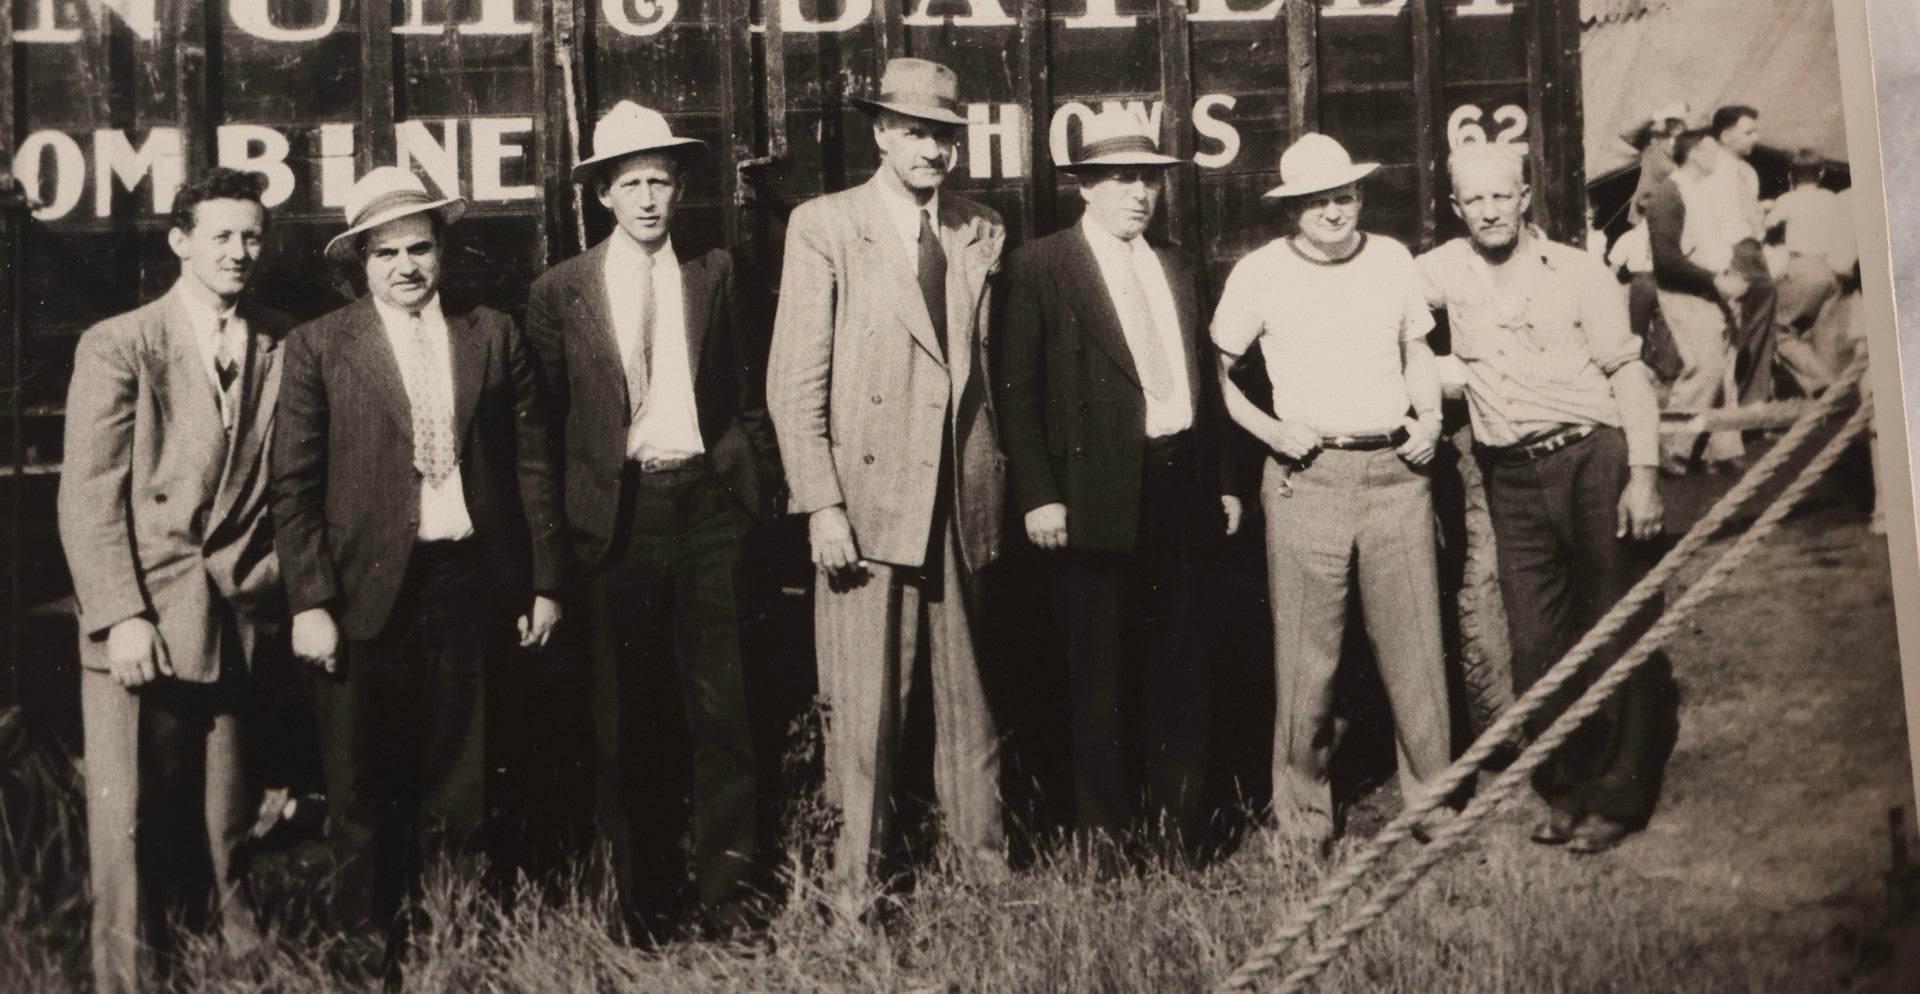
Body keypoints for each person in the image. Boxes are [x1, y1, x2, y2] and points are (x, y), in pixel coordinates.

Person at [271, 166, 564, 976]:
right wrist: (311, 601)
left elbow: (535, 465)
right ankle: (365, 958)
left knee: (461, 785)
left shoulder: (491, 334)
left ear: (443, 250)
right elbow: (292, 487)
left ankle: (455, 949)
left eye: (420, 248)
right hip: (361, 597)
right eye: (387, 252)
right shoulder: (319, 346)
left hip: (467, 589)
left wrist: (544, 581)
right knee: (361, 788)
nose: (406, 266)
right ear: (360, 262)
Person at [524, 101, 781, 940]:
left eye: (660, 182)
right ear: (602, 194)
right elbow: (549, 423)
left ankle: (732, 901)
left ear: (680, 189)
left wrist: (754, 496)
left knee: (726, 713)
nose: (647, 199)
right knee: (624, 722)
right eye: (630, 183)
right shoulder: (561, 291)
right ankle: (637, 906)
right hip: (618, 520)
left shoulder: (715, 272)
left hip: (710, 508)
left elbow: (750, 395)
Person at [767, 56, 1008, 912]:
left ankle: (984, 880)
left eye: (943, 134)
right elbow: (794, 383)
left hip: (961, 500)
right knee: (866, 708)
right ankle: (853, 893)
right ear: (880, 133)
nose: (930, 150)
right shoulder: (827, 226)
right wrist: (822, 505)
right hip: (869, 507)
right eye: (913, 132)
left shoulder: (981, 228)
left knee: (971, 703)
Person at [57, 168, 291, 994]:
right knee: (126, 823)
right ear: (180, 241)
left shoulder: (279, 341)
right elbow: (88, 493)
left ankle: (233, 969)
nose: (238, 252)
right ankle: (126, 980)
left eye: (251, 236)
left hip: (234, 611)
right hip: (145, 616)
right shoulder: (122, 342)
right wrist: (119, 614)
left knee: (227, 820)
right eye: (221, 235)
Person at [997, 109, 1241, 864]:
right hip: (1092, 493)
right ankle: (1104, 843)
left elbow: (1204, 383)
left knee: (1180, 666)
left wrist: (1223, 482)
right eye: (1121, 179)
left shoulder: (1176, 265)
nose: (1139, 194)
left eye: (1150, 180)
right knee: (1097, 674)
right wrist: (1039, 494)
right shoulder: (1044, 265)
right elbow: (1017, 392)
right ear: (1084, 187)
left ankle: (1180, 837)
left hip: (1178, 486)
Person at [1418, 143, 1672, 855]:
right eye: (1474, 200)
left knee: (1615, 626)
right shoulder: (1442, 271)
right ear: (1456, 207)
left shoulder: (1580, 272)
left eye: (1501, 195)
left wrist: (1643, 475)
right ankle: (1566, 787)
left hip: (1593, 457)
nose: (1489, 210)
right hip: (1511, 476)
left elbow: (1628, 373)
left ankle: (1618, 797)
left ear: (1525, 197)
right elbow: (1374, 294)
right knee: (1534, 643)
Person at [1210, 133, 1452, 851]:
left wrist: (1430, 419)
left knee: (1416, 652)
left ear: (1360, 196)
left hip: (1396, 475)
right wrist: (1270, 430)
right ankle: (1303, 820)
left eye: (1344, 197)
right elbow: (1217, 372)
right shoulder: (1259, 272)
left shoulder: (1393, 259)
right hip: (1307, 479)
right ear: (1292, 210)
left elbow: (1417, 349)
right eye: (1317, 202)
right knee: (1306, 660)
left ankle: (1433, 803)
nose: (1334, 213)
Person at [1645, 129, 1747, 473]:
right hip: (1685, 294)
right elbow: (1666, 260)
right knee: (1705, 369)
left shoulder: (1699, 191)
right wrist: (1715, 280)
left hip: (1712, 292)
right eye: (1711, 150)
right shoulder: (1669, 194)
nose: (1716, 157)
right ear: (1693, 154)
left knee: (1724, 372)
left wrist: (1728, 277)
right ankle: (1670, 447)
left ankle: (1720, 451)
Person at [1706, 104, 1782, 406]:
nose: (1756, 138)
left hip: (1752, 248)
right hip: (1728, 250)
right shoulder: (1709, 166)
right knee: (1731, 326)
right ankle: (1727, 398)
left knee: (1761, 314)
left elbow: (1745, 213)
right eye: (1748, 132)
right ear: (1726, 136)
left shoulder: (1747, 172)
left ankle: (1754, 398)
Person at [1767, 148, 1855, 382]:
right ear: (1821, 173)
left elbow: (1768, 224)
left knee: (1780, 332)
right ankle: (1837, 385)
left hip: (1803, 265)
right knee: (1825, 337)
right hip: (1830, 267)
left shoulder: (1787, 200)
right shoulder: (1831, 199)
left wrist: (1769, 208)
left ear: (1791, 175)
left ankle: (1824, 381)